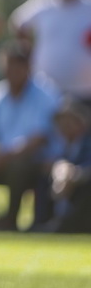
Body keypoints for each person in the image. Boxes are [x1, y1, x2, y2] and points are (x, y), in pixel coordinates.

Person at [0, 40, 59, 230]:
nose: (9, 72)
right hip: (1, 157)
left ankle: (9, 220)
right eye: (6, 67)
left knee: (19, 166)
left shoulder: (45, 94)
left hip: (36, 160)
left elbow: (39, 139)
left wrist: (5, 156)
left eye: (15, 67)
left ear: (28, 67)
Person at [10, 0, 91, 106]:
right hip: (48, 89)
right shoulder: (44, 4)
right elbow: (18, 22)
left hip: (85, 90)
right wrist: (27, 52)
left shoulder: (88, 4)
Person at [43, 97, 91, 233]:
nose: (64, 126)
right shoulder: (64, 146)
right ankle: (48, 220)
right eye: (61, 122)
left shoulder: (88, 143)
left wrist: (72, 176)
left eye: (69, 121)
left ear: (81, 123)